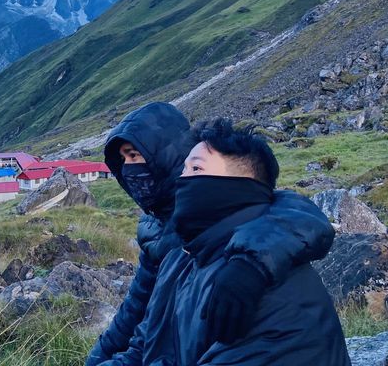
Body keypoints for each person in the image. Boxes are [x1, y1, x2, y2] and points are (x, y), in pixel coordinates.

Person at [86, 102, 336, 365]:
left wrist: (252, 264)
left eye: (135, 155)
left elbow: (293, 210)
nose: (128, 169)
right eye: (123, 160)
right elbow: (142, 323)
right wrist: (97, 359)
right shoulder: (171, 248)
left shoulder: (259, 283)